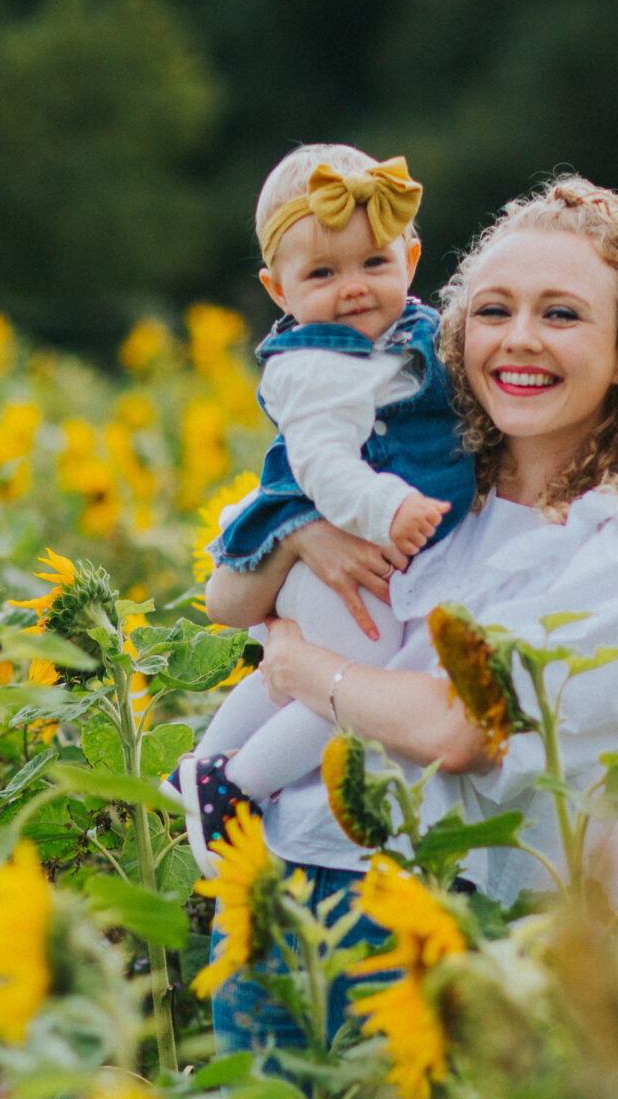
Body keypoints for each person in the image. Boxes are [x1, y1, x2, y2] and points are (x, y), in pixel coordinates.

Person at [201, 176, 618, 1057]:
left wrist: (306, 669)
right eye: (494, 310)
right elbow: (226, 597)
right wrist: (304, 536)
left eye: (563, 315)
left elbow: (466, 730)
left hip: (474, 935)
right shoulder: (423, 483)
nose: (521, 339)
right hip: (275, 887)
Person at [176, 144, 478, 873]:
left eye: (373, 264)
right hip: (352, 541)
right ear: (277, 290)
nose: (352, 289)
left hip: (360, 553)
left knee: (288, 673)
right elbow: (323, 467)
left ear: (411, 256)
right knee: (348, 669)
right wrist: (386, 506)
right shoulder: (313, 365)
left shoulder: (425, 336)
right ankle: (235, 783)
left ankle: (204, 762)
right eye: (321, 273)